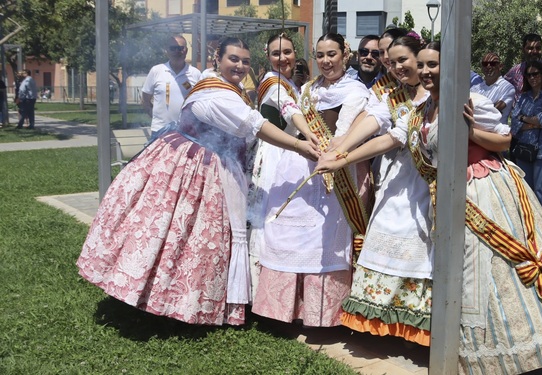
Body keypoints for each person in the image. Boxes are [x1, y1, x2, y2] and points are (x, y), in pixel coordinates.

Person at [317, 41, 542, 373]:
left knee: (490, 270)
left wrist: (470, 129)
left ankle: (513, 345)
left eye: (433, 65)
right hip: (448, 195)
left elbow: (505, 140)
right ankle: (467, 346)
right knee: (463, 273)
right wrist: (341, 157)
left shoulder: (473, 101)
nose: (426, 72)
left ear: (449, 67)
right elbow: (390, 139)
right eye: (423, 66)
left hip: (485, 189)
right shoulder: (418, 111)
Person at [76, 37, 320, 326]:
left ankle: (173, 298)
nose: (240, 66)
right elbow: (255, 124)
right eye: (233, 59)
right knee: (178, 233)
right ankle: (169, 298)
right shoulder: (217, 93)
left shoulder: (217, 82)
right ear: (218, 58)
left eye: (245, 61)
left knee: (185, 236)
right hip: (195, 165)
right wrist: (299, 146)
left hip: (204, 159)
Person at [314, 35, 431, 345]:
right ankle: (386, 321)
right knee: (383, 234)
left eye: (403, 60)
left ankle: (420, 325)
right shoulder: (391, 94)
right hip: (397, 175)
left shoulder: (435, 94)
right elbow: (372, 120)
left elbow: (393, 138)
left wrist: (343, 157)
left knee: (419, 242)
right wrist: (341, 146)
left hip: (426, 178)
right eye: (391, 62)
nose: (397, 67)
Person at [252, 33, 370, 328]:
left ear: (345, 54)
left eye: (332, 54)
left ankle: (320, 316)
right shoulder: (306, 88)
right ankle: (283, 310)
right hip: (296, 167)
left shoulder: (355, 90)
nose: (326, 61)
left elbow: (344, 132)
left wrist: (329, 150)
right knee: (287, 234)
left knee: (324, 238)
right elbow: (290, 114)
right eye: (320, 55)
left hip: (332, 170)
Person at [246, 33, 318, 300]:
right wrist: (309, 134)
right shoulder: (271, 82)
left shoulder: (290, 82)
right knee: (266, 218)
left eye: (287, 52)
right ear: (268, 56)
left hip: (289, 153)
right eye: (276, 54)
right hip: (273, 153)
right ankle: (258, 292)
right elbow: (289, 110)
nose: (283, 58)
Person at [510, 60, 542, 220]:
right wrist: (532, 122)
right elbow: (515, 123)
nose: (532, 77)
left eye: (535, 74)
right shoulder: (524, 97)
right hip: (525, 150)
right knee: (527, 192)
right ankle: (530, 229)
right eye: (529, 75)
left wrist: (524, 119)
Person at [141, 35, 202, 134]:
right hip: (160, 131)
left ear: (186, 50)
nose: (177, 51)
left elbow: (201, 102)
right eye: (173, 48)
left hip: (187, 131)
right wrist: (157, 118)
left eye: (180, 48)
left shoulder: (195, 74)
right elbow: (145, 99)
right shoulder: (156, 71)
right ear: (166, 51)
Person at [471, 52, 516, 124]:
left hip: (496, 134)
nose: (488, 66)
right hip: (476, 132)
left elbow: (493, 111)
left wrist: (476, 110)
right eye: (485, 64)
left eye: (493, 63)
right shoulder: (474, 89)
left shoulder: (508, 88)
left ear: (500, 66)